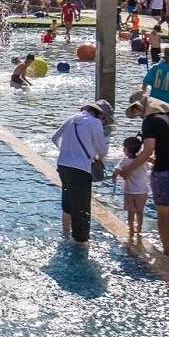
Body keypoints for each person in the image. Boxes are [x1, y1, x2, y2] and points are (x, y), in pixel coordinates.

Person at [122, 93, 169, 257]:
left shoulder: (150, 121)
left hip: (165, 171)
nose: (137, 114)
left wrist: (128, 169)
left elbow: (148, 149)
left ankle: (166, 252)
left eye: (136, 110)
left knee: (163, 215)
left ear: (139, 107)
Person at [51, 100, 113, 244]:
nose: (104, 124)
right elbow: (102, 150)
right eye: (105, 121)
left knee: (68, 201)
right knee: (82, 207)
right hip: (80, 169)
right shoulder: (95, 123)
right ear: (101, 116)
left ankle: (65, 233)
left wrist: (67, 151)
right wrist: (92, 156)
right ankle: (81, 242)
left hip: (63, 165)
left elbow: (55, 138)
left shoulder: (72, 118)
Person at [111, 136, 151, 239]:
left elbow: (116, 172)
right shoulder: (142, 162)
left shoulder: (124, 161)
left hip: (129, 191)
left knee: (131, 212)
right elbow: (150, 167)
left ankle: (131, 229)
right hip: (142, 191)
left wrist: (114, 179)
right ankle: (139, 228)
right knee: (140, 211)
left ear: (127, 150)